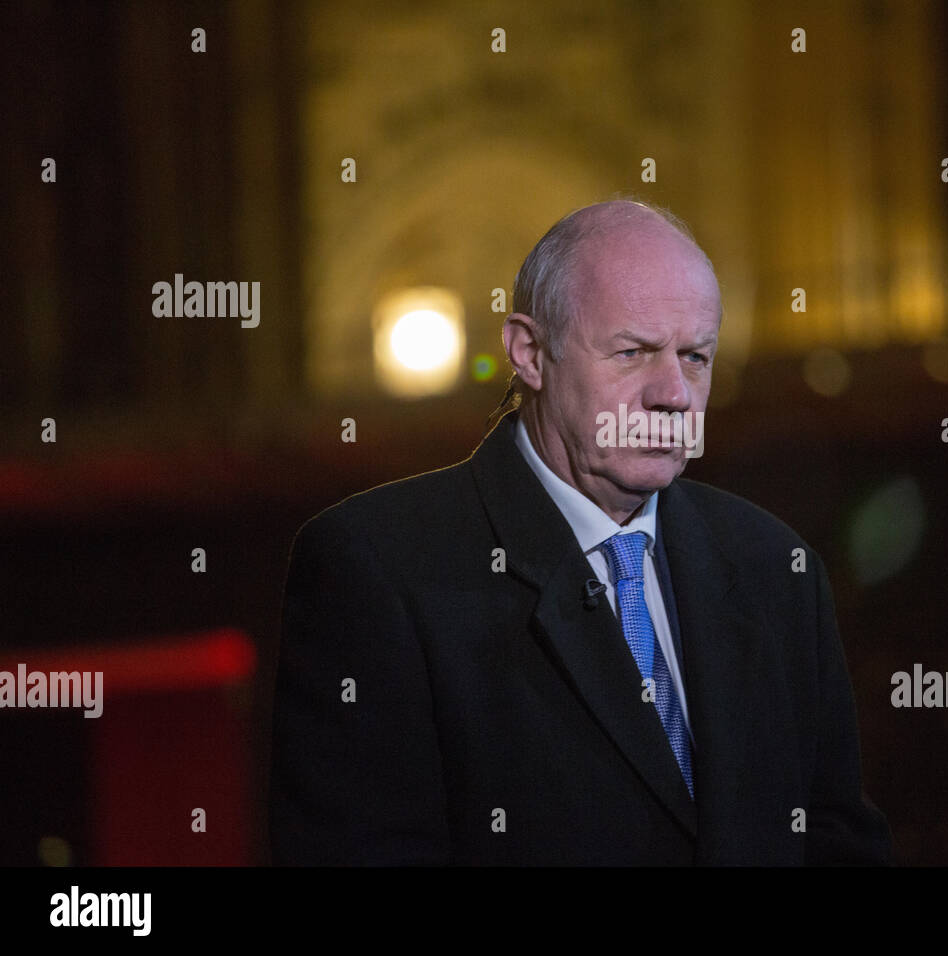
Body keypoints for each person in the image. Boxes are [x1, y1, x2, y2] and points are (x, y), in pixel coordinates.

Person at [269, 199, 891, 865]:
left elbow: (836, 843)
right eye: (633, 352)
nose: (674, 393)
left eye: (696, 357)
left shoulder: (777, 567)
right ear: (530, 352)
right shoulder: (378, 569)